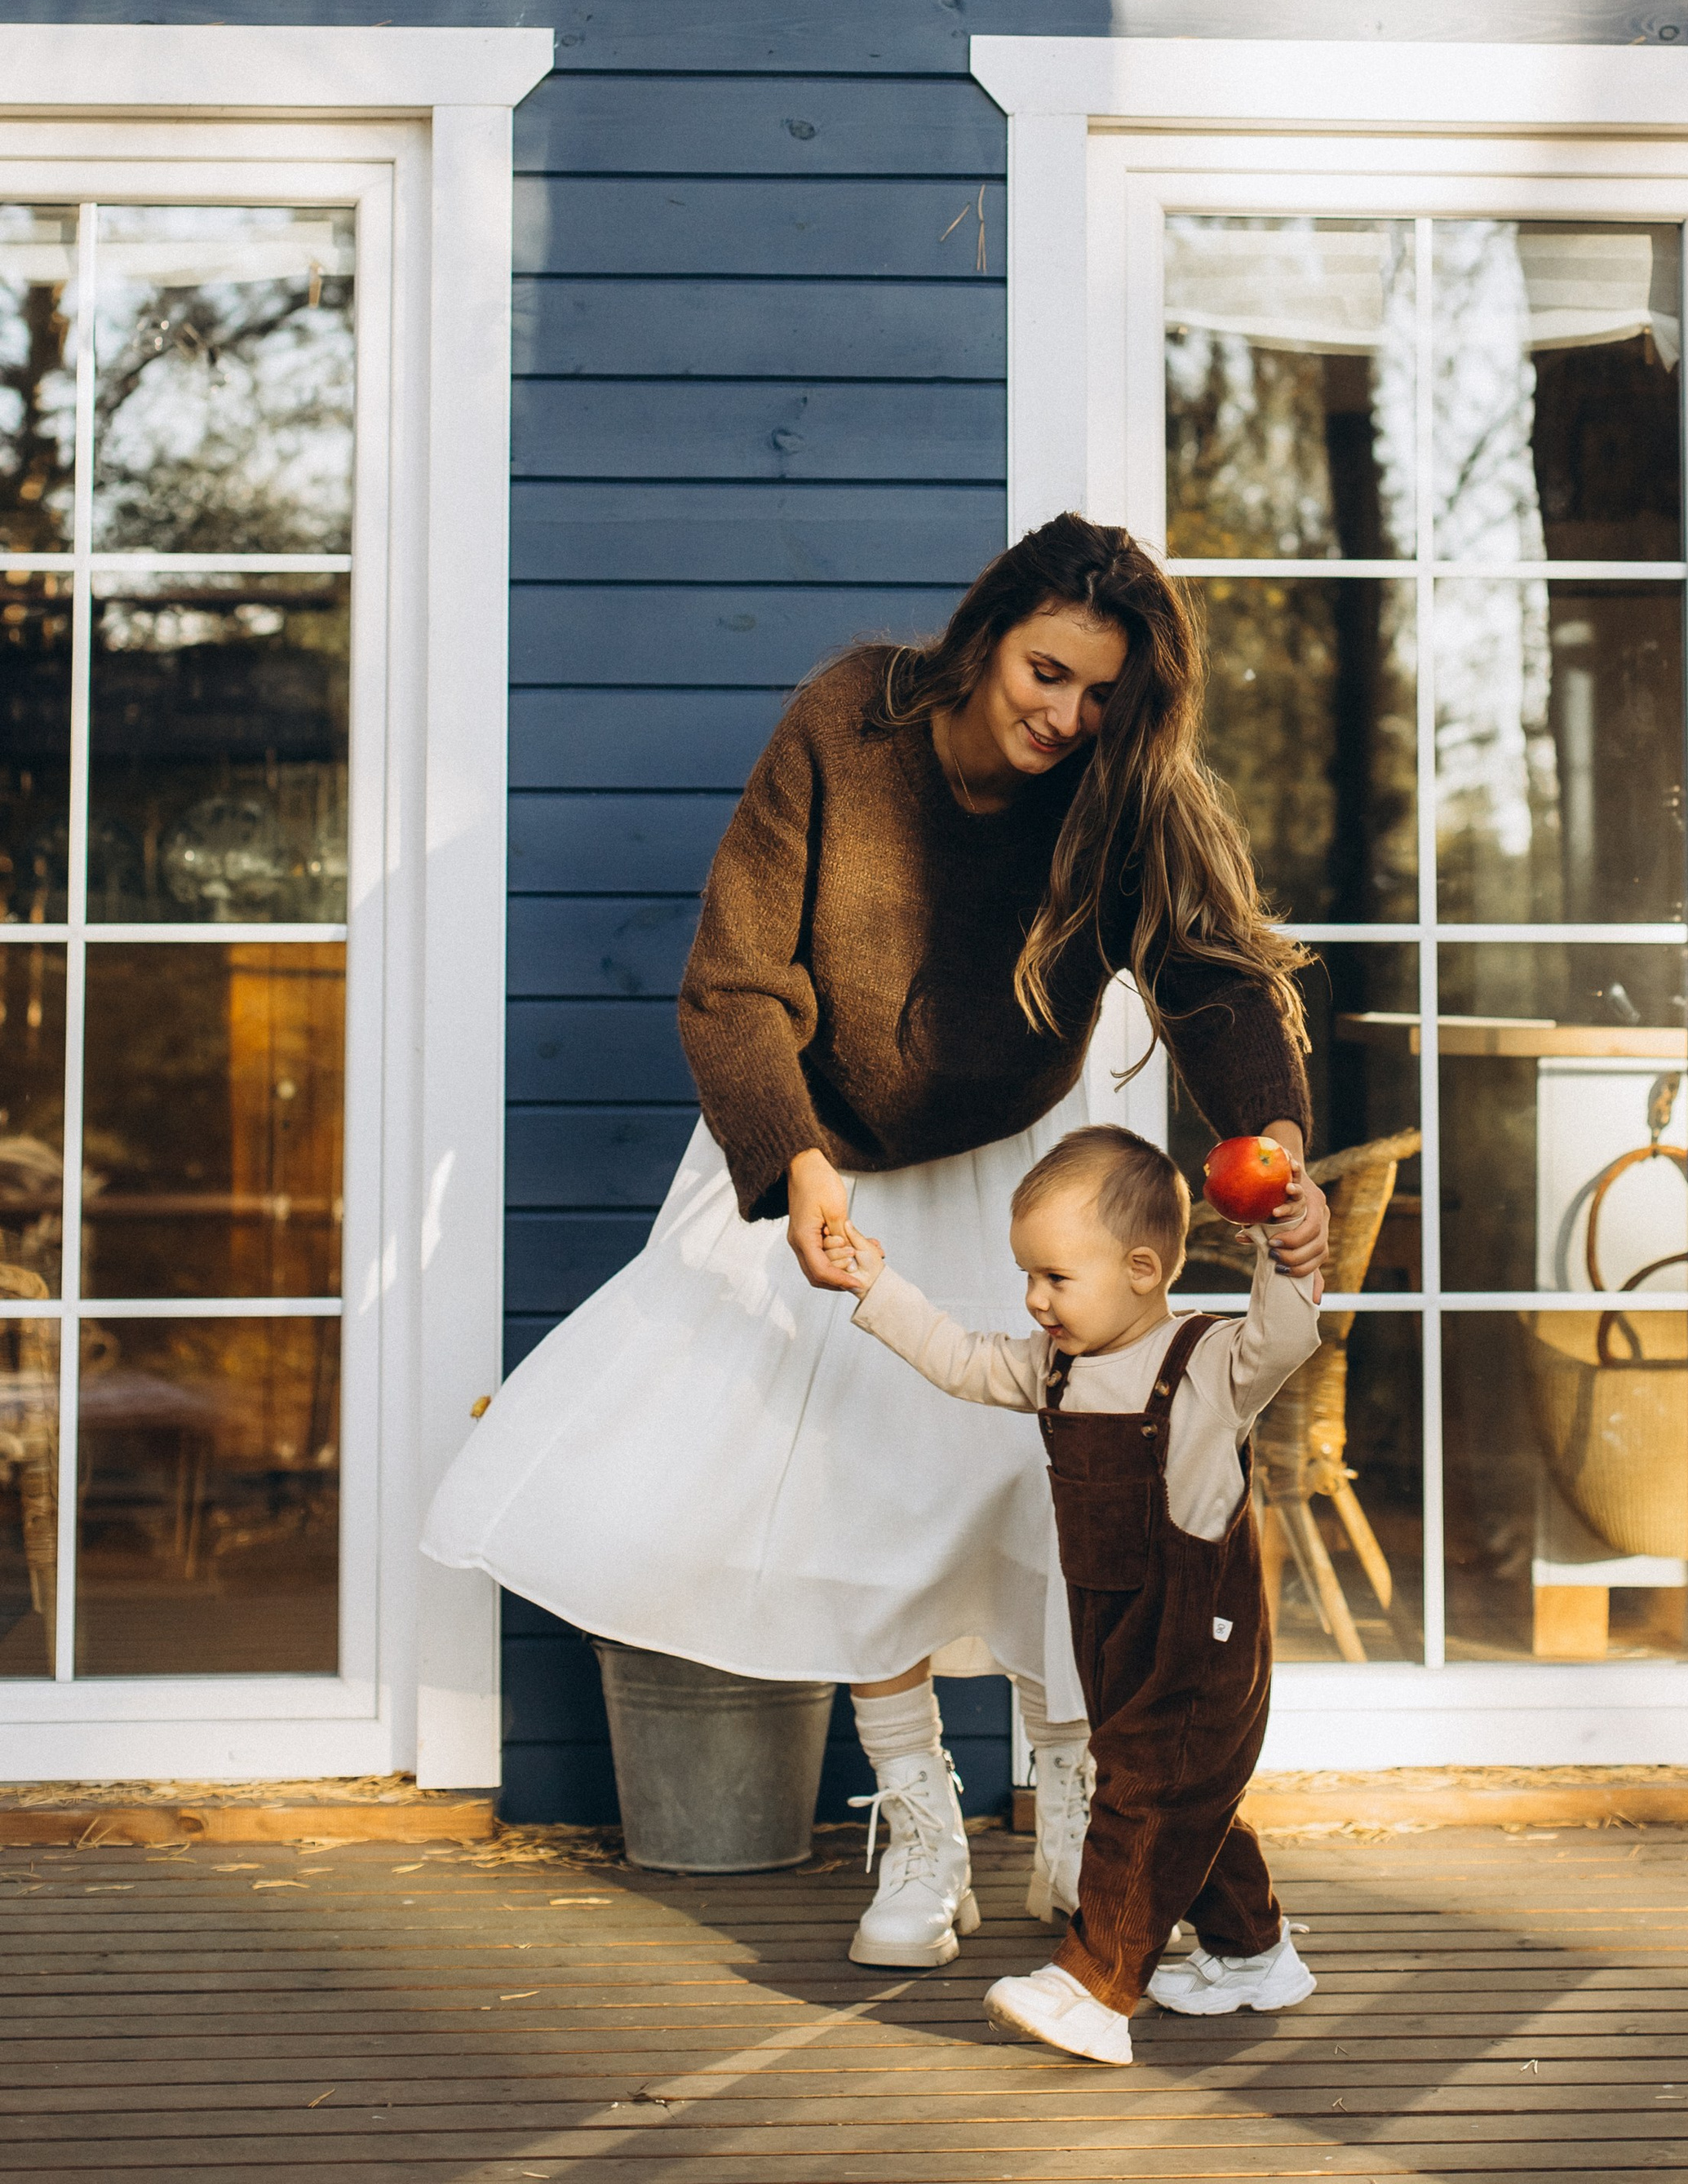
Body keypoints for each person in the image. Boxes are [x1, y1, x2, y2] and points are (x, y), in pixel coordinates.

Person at [424, 513, 1329, 1968]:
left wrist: (1270, 1145)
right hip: (823, 1163)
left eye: (1101, 694)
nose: (1066, 715)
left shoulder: (1114, 788)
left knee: (1061, 1492)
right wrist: (791, 1162)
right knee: (858, 1499)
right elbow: (735, 980)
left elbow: (1214, 979)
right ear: (985, 638)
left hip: (1021, 1182)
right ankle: (917, 1816)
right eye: (1047, 672)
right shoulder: (849, 720)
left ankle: (1083, 1809)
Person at [826, 1122, 1326, 2067]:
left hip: (1199, 1641)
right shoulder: (1055, 1365)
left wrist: (1283, 1235)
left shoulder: (1211, 1366)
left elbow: (1288, 1330)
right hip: (1115, 1630)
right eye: (1028, 1277)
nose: (1033, 1300)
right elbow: (960, 1359)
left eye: (1055, 1278)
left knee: (1141, 1797)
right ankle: (1255, 1952)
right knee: (1180, 1797)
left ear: (1143, 1268)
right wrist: (874, 1288)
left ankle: (1095, 1985)